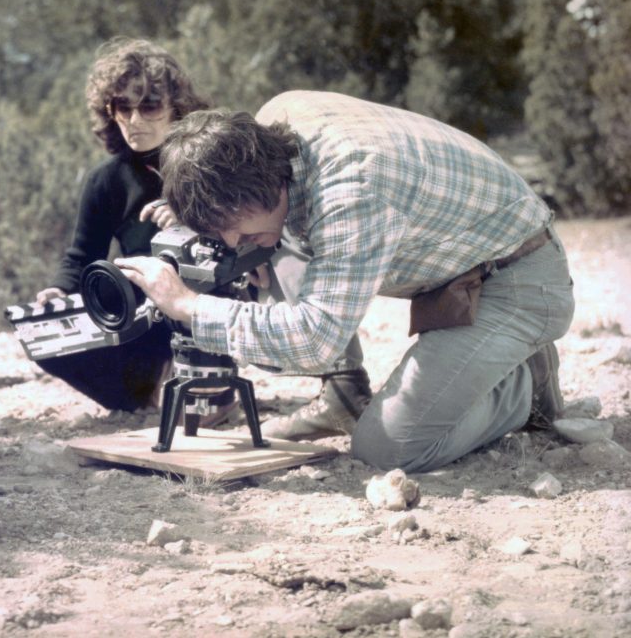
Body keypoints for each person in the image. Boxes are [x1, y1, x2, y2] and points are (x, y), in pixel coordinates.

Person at [115, 91, 573, 473]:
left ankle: (522, 387)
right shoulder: (276, 125)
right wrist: (209, 219)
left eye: (235, 224)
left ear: (263, 185)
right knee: (278, 250)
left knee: (388, 449)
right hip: (461, 266)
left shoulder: (352, 193)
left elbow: (315, 341)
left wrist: (190, 306)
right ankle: (344, 393)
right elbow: (261, 216)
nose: (234, 242)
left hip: (517, 280)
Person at [32, 37, 208, 413]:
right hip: (144, 317)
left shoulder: (207, 160)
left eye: (149, 106)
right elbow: (82, 257)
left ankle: (200, 386)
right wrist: (58, 291)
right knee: (42, 337)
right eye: (122, 107)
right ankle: (148, 392)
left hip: (207, 304)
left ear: (176, 107)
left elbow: (250, 231)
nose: (135, 120)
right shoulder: (106, 180)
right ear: (108, 111)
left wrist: (191, 221)